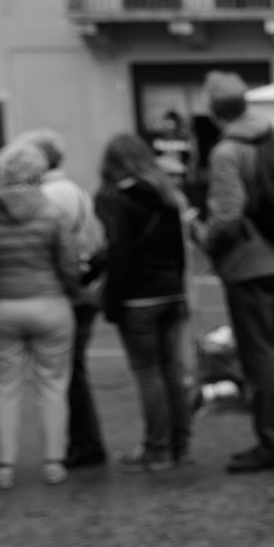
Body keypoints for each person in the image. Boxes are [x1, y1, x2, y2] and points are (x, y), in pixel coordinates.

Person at [0, 140, 82, 489]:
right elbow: (69, 264)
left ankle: (3, 466)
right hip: (50, 305)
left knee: (2, 387)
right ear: (38, 173)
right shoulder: (51, 211)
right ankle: (53, 463)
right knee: (53, 385)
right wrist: (73, 290)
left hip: (1, 305)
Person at [198, 72, 274, 472]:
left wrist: (206, 239)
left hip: (249, 264)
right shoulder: (270, 138)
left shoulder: (227, 151)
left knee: (259, 357)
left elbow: (228, 212)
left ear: (213, 111)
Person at [95, 134, 195, 471]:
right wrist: (180, 290)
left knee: (148, 374)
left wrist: (112, 301)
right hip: (170, 290)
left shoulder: (115, 199)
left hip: (138, 296)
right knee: (171, 371)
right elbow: (179, 249)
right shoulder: (167, 194)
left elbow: (120, 253)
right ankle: (180, 445)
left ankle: (158, 449)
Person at [19, 130, 108, 470]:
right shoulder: (76, 190)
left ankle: (84, 444)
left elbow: (51, 249)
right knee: (72, 370)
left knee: (66, 374)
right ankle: (84, 442)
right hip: (84, 289)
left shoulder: (47, 196)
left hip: (65, 290)